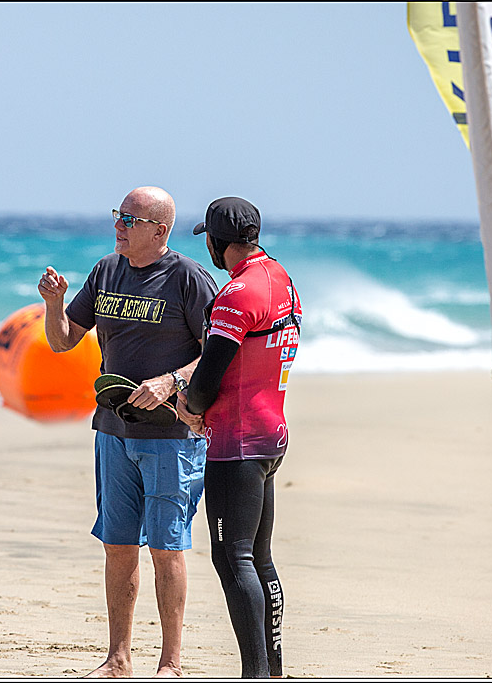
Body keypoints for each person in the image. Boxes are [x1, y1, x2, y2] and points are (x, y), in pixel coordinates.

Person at [38, 186, 217, 677]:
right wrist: (54, 304)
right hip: (113, 431)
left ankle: (172, 663)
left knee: (166, 547)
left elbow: (219, 353)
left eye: (130, 220)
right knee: (118, 546)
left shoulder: (187, 278)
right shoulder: (106, 271)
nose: (119, 225)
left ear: (160, 230)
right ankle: (118, 659)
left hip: (172, 439)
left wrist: (172, 381)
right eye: (118, 216)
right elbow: (61, 343)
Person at [175, 197, 302, 678]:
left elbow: (209, 376)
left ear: (216, 241)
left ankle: (255, 674)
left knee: (234, 557)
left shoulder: (235, 294)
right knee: (257, 557)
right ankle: (272, 669)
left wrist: (188, 405)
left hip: (237, 443)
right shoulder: (280, 278)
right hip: (272, 435)